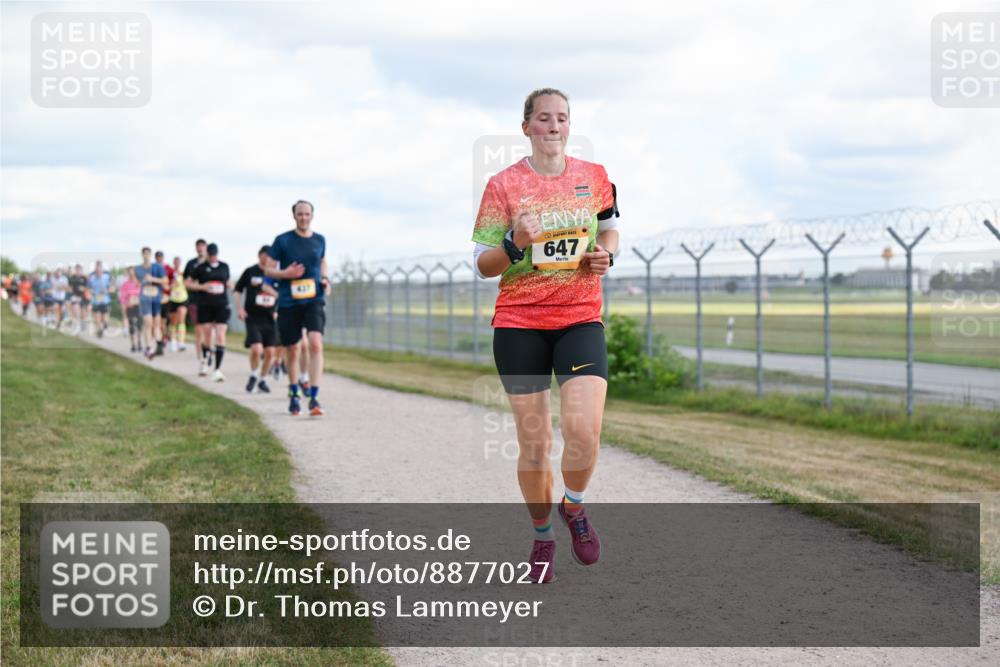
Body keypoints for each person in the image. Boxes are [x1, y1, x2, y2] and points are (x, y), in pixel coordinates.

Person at [472, 88, 620, 583]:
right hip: (520, 323)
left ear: (569, 126)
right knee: (535, 443)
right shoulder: (503, 185)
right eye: (543, 118)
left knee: (583, 432)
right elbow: (483, 266)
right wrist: (515, 242)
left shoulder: (593, 177)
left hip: (580, 317)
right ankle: (541, 537)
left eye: (561, 118)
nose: (553, 126)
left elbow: (610, 229)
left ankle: (573, 507)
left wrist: (606, 254)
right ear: (527, 127)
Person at [266, 200, 330, 417]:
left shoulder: (319, 239)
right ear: (294, 216)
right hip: (288, 302)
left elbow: (322, 261)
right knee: (293, 349)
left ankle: (313, 396)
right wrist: (286, 274)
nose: (304, 218)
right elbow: (269, 269)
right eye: (300, 214)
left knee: (315, 343)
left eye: (307, 214)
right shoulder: (282, 240)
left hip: (314, 299)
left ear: (312, 216)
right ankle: (294, 394)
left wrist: (325, 278)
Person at [234, 246, 279, 393]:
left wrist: (278, 311)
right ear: (259, 256)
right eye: (265, 255)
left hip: (270, 318)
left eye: (270, 256)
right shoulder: (250, 271)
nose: (267, 259)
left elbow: (283, 295)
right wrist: (240, 308)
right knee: (256, 349)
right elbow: (237, 290)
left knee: (271, 352)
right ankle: (253, 374)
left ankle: (263, 380)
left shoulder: (277, 274)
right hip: (253, 317)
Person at [189, 243, 231, 381]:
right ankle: (205, 359)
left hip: (221, 305)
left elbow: (228, 282)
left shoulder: (224, 267)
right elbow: (187, 283)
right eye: (211, 255)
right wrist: (202, 286)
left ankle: (217, 369)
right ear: (208, 254)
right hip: (205, 305)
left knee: (220, 335)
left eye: (215, 255)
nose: (213, 257)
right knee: (207, 336)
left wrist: (229, 285)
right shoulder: (200, 268)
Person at [135, 247, 167, 359]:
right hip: (144, 299)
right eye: (144, 254)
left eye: (148, 254)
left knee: (156, 325)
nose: (146, 256)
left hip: (156, 299)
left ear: (150, 255)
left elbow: (165, 280)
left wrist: (152, 279)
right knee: (148, 323)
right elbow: (135, 282)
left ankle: (159, 343)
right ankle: (149, 347)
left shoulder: (157, 267)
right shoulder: (138, 269)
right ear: (142, 255)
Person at [183, 239, 209, 370]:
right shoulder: (191, 264)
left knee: (210, 332)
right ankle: (202, 360)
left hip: (212, 302)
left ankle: (208, 353)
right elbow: (186, 282)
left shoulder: (213, 263)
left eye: (202, 246)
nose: (200, 249)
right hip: (195, 301)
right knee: (199, 332)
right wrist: (199, 286)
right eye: (198, 246)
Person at [119, 266, 142, 352]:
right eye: (130, 273)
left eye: (133, 273)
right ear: (128, 274)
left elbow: (143, 294)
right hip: (130, 306)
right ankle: (133, 345)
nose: (132, 274)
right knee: (132, 325)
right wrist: (124, 306)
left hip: (139, 306)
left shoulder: (140, 283)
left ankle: (139, 342)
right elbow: (122, 297)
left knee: (139, 325)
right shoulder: (125, 284)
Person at [87, 260, 114, 338]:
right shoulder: (91, 278)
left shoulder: (107, 277)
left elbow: (112, 288)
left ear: (102, 269)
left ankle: (105, 324)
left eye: (100, 268)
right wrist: (91, 292)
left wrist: (107, 290)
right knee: (97, 318)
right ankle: (100, 330)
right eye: (97, 268)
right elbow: (88, 289)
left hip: (105, 300)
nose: (98, 270)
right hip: (95, 301)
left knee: (105, 318)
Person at [168, 256, 189, 352]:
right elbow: (166, 286)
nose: (177, 264)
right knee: (173, 322)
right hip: (173, 299)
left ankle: (181, 342)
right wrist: (172, 283)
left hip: (183, 299)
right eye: (175, 262)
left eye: (178, 262)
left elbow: (188, 284)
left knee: (181, 320)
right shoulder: (170, 274)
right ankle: (173, 341)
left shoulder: (184, 274)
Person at [154, 250, 170, 354]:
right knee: (157, 322)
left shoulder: (168, 268)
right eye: (158, 257)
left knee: (163, 323)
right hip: (156, 299)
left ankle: (164, 338)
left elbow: (171, 282)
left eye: (161, 257)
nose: (160, 259)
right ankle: (159, 341)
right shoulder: (153, 269)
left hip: (166, 299)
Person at [67, 264, 88, 332]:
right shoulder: (72, 278)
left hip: (83, 297)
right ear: (75, 270)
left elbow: (88, 288)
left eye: (79, 270)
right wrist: (69, 290)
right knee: (76, 311)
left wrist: (84, 288)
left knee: (83, 312)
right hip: (75, 296)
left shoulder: (84, 278)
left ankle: (83, 322)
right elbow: (69, 287)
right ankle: (78, 326)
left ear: (81, 270)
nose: (78, 271)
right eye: (77, 270)